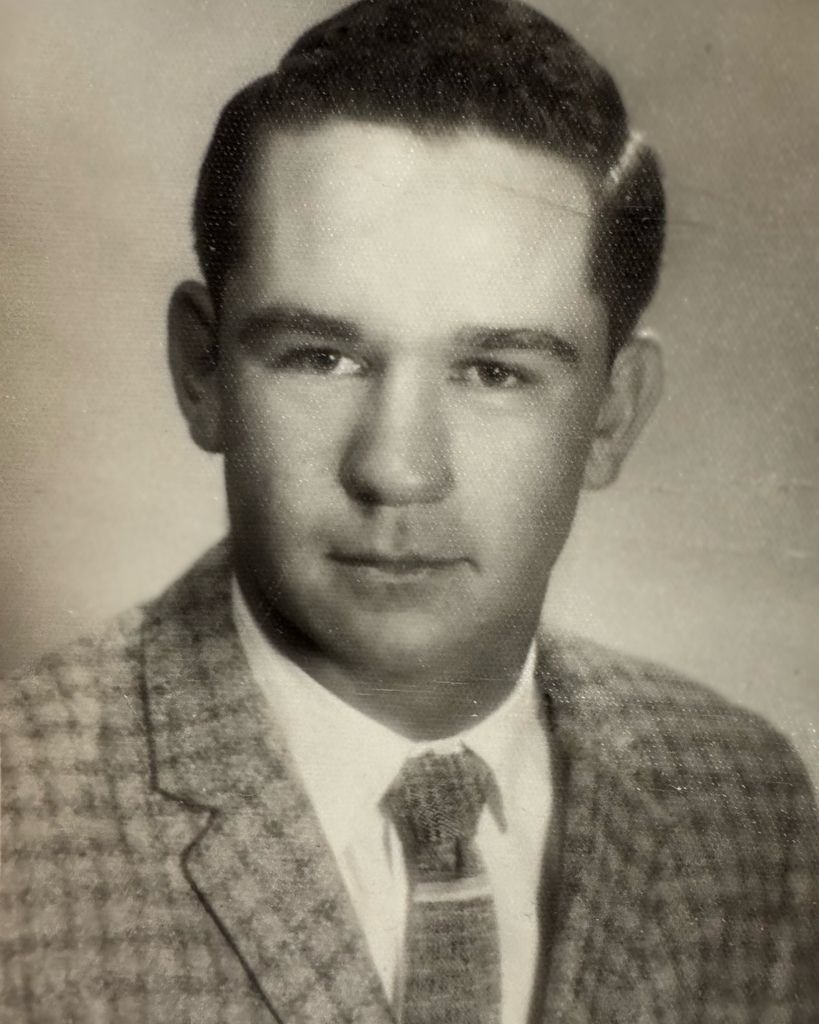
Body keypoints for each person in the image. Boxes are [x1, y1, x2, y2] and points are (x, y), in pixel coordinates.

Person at [2, 1, 817, 1021]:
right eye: (322, 358)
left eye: (494, 372)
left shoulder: (745, 802)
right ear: (202, 373)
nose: (396, 469)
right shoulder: (20, 820)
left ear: (611, 416)